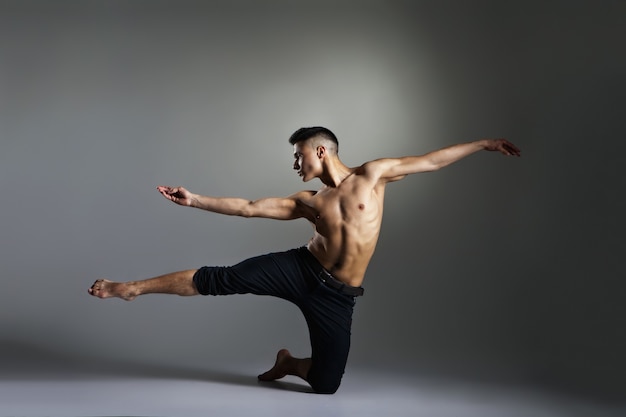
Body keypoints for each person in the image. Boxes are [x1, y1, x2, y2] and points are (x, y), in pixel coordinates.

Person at [88, 126, 521, 394]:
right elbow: (250, 206)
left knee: (327, 385)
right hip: (300, 270)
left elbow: (430, 161)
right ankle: (130, 289)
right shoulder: (308, 202)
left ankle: (290, 363)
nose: (295, 162)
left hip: (338, 297)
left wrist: (482, 143)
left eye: (298, 154)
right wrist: (195, 199)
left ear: (320, 151)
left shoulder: (373, 175)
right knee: (223, 278)